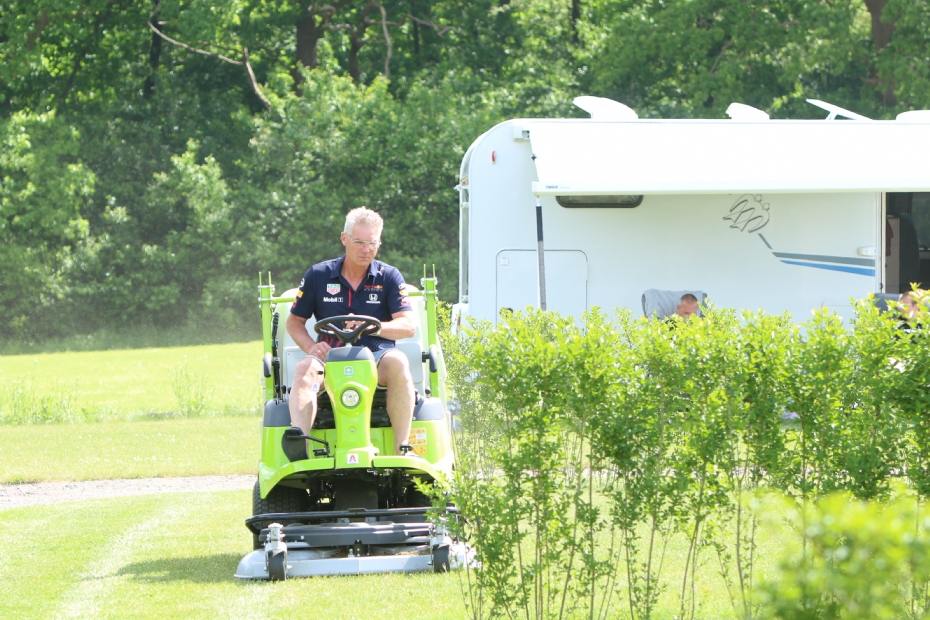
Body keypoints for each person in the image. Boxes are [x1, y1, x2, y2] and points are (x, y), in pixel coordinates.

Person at [286, 207, 416, 456]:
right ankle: (299, 447)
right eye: (359, 242)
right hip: (329, 354)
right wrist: (312, 348)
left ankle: (402, 448)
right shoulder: (318, 276)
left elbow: (408, 326)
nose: (366, 249)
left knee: (399, 362)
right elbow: (294, 322)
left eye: (372, 243)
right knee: (304, 368)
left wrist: (374, 326)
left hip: (378, 355)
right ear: (344, 239)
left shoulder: (389, 276)